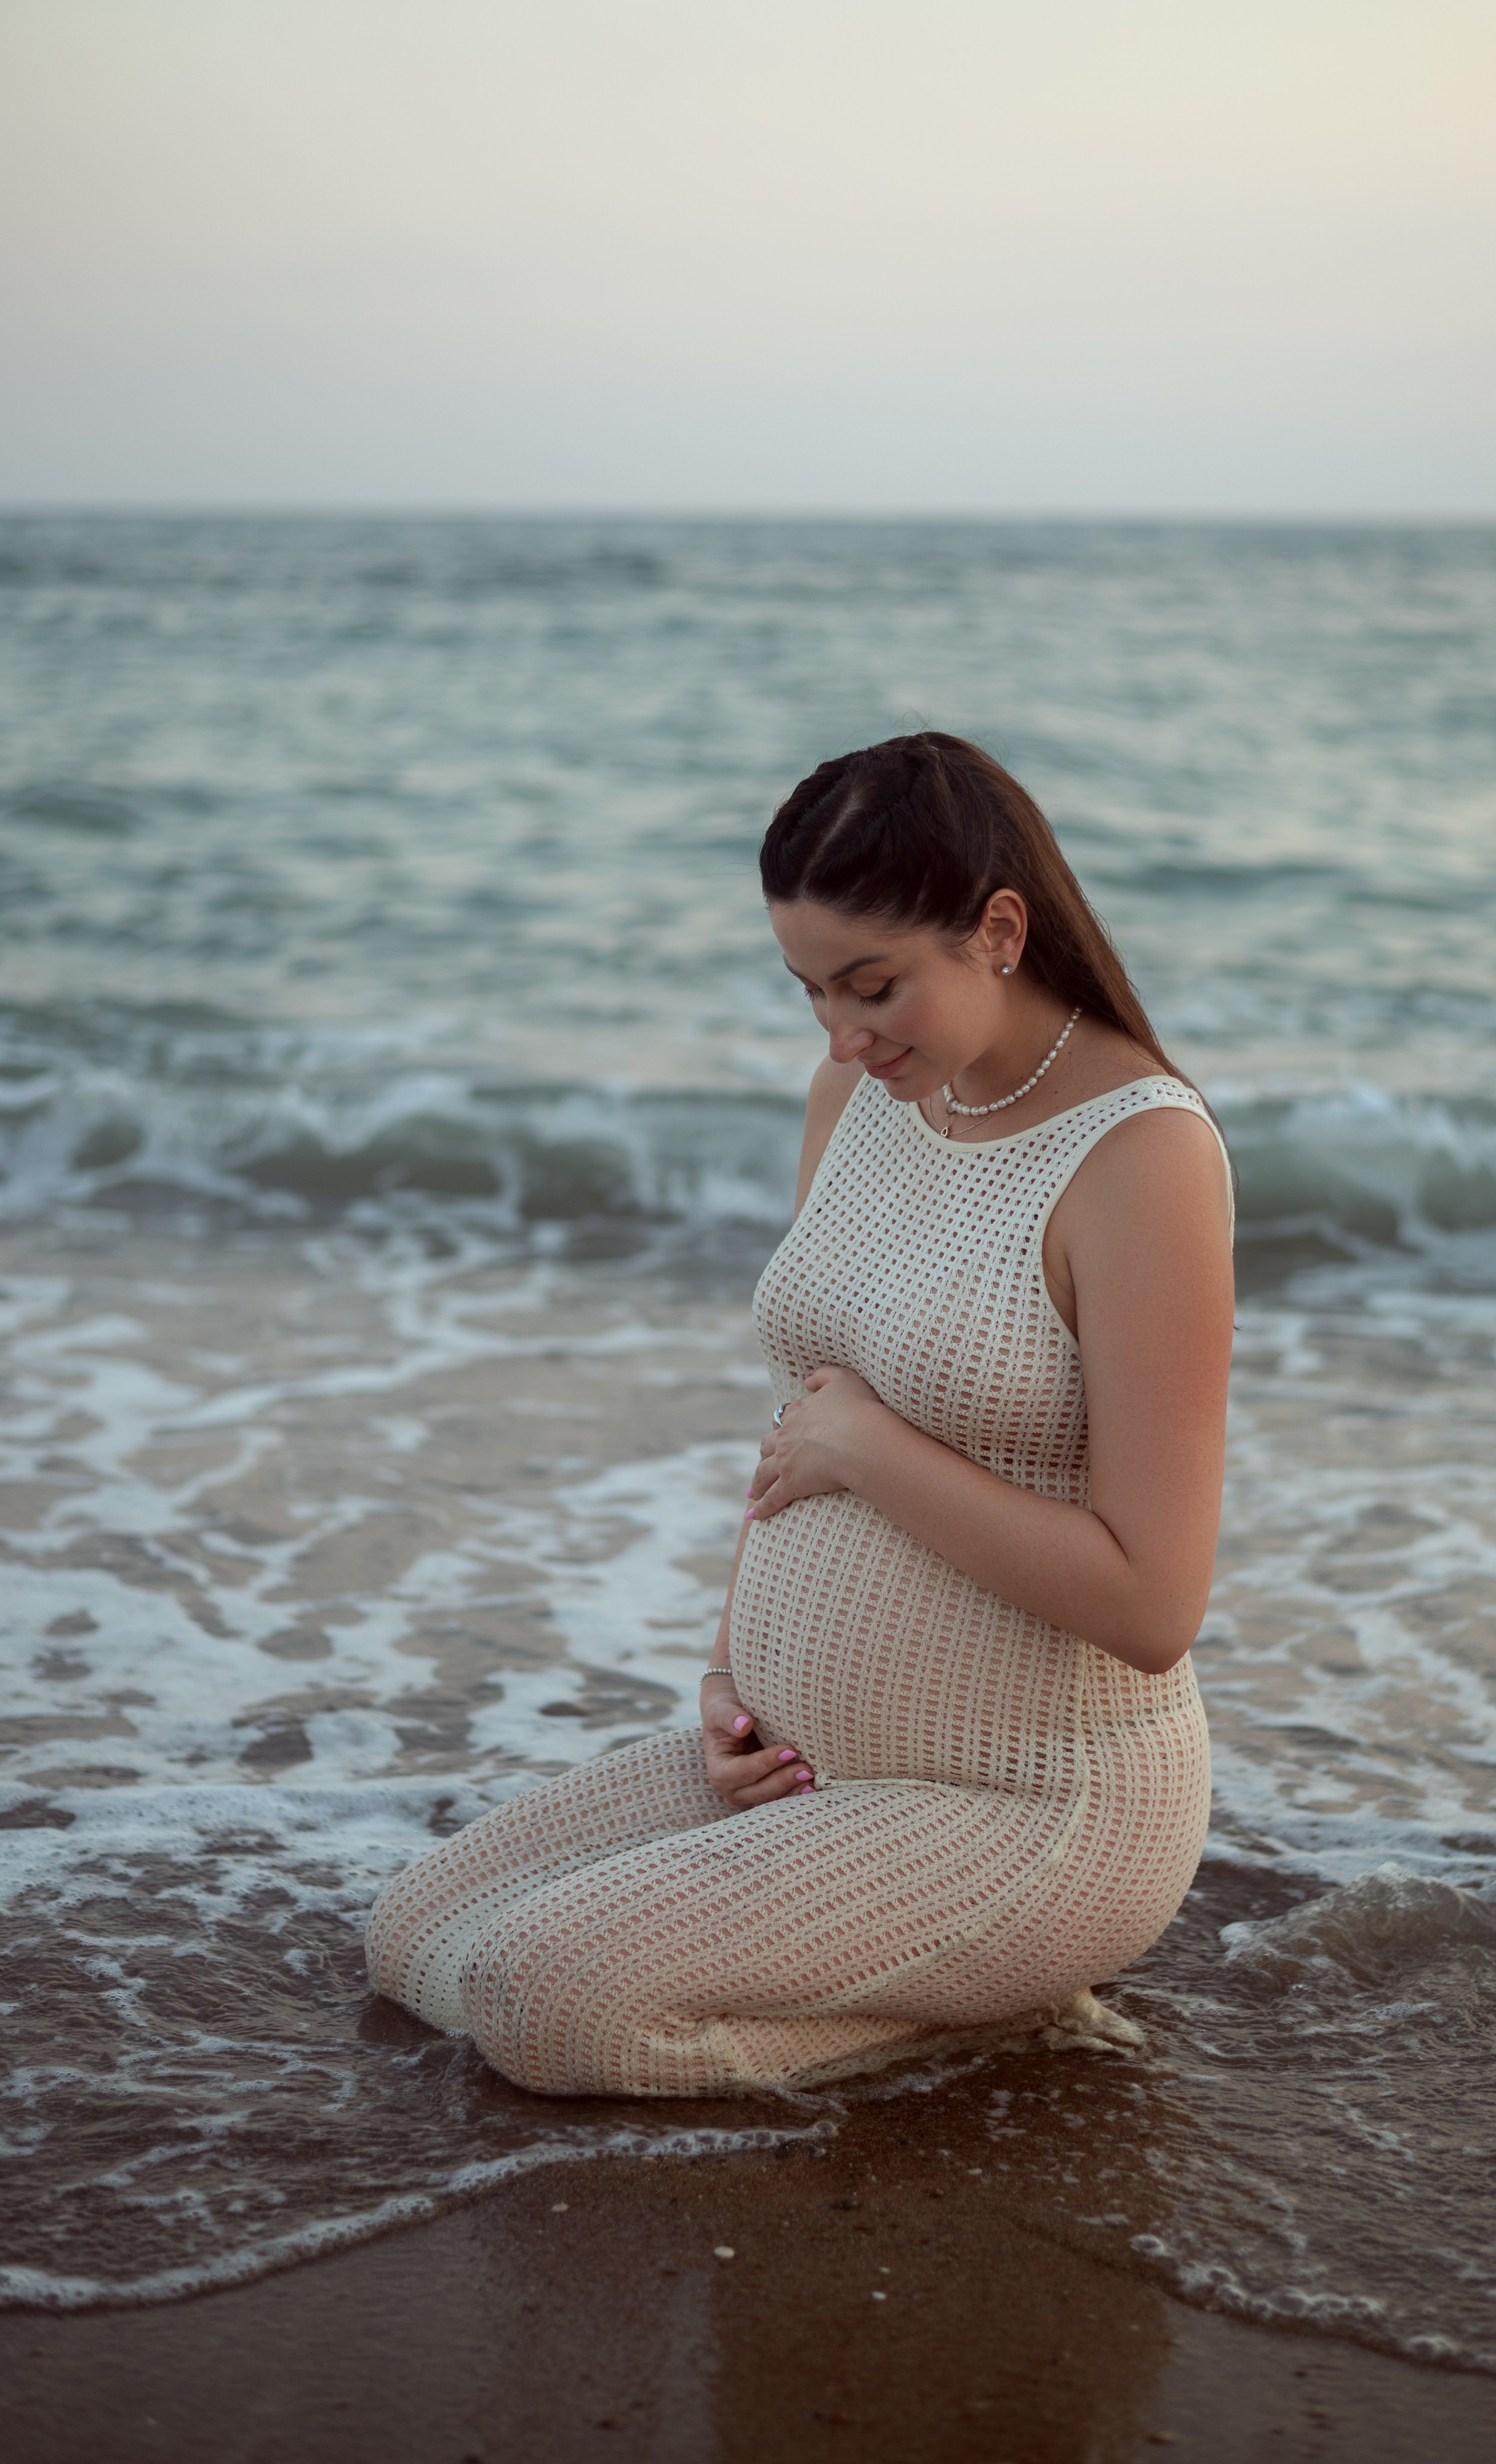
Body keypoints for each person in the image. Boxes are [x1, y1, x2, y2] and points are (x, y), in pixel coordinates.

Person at [364, 733, 1233, 2096]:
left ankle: (989, 2008)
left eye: (873, 985)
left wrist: (875, 1454)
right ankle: (864, 1972)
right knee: (413, 1939)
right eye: (809, 990)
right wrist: (726, 1675)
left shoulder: (1140, 1157)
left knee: (540, 2002)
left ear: (998, 930)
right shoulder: (860, 1093)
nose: (838, 1035)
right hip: (791, 1764)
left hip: (1026, 1806)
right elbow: (798, 1423)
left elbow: (1150, 1600)